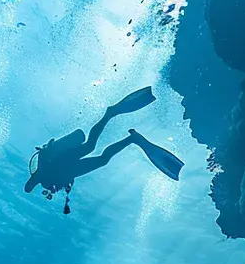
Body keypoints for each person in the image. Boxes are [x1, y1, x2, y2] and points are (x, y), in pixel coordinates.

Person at [24, 86, 183, 213]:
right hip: (72, 169)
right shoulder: (49, 181)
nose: (49, 192)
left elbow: (28, 187)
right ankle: (131, 138)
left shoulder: (42, 177)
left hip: (64, 160)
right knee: (102, 159)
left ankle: (110, 114)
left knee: (90, 146)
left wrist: (35, 183)